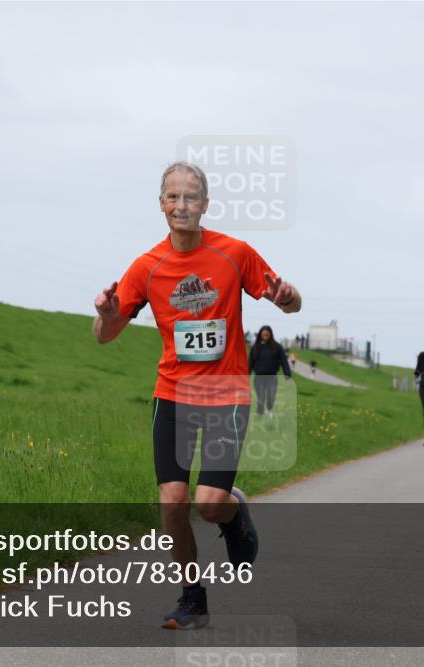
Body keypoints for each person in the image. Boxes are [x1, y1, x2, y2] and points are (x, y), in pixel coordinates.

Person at [93, 161, 302, 629]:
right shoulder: (146, 267)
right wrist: (107, 313)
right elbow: (104, 335)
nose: (181, 205)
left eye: (191, 197)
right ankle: (192, 596)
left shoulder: (235, 253)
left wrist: (286, 296)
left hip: (226, 395)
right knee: (172, 501)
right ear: (161, 204)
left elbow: (290, 301)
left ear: (205, 205)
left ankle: (234, 513)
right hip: (172, 395)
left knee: (209, 503)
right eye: (172, 196)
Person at [249, 325, 292, 418]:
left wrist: (287, 373)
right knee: (261, 397)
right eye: (263, 334)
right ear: (260, 335)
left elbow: (284, 360)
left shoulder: (277, 347)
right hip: (259, 377)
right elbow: (250, 362)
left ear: (270, 335)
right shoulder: (255, 347)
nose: (265, 336)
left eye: (267, 335)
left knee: (271, 396)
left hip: (272, 377)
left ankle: (269, 410)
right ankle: (259, 413)